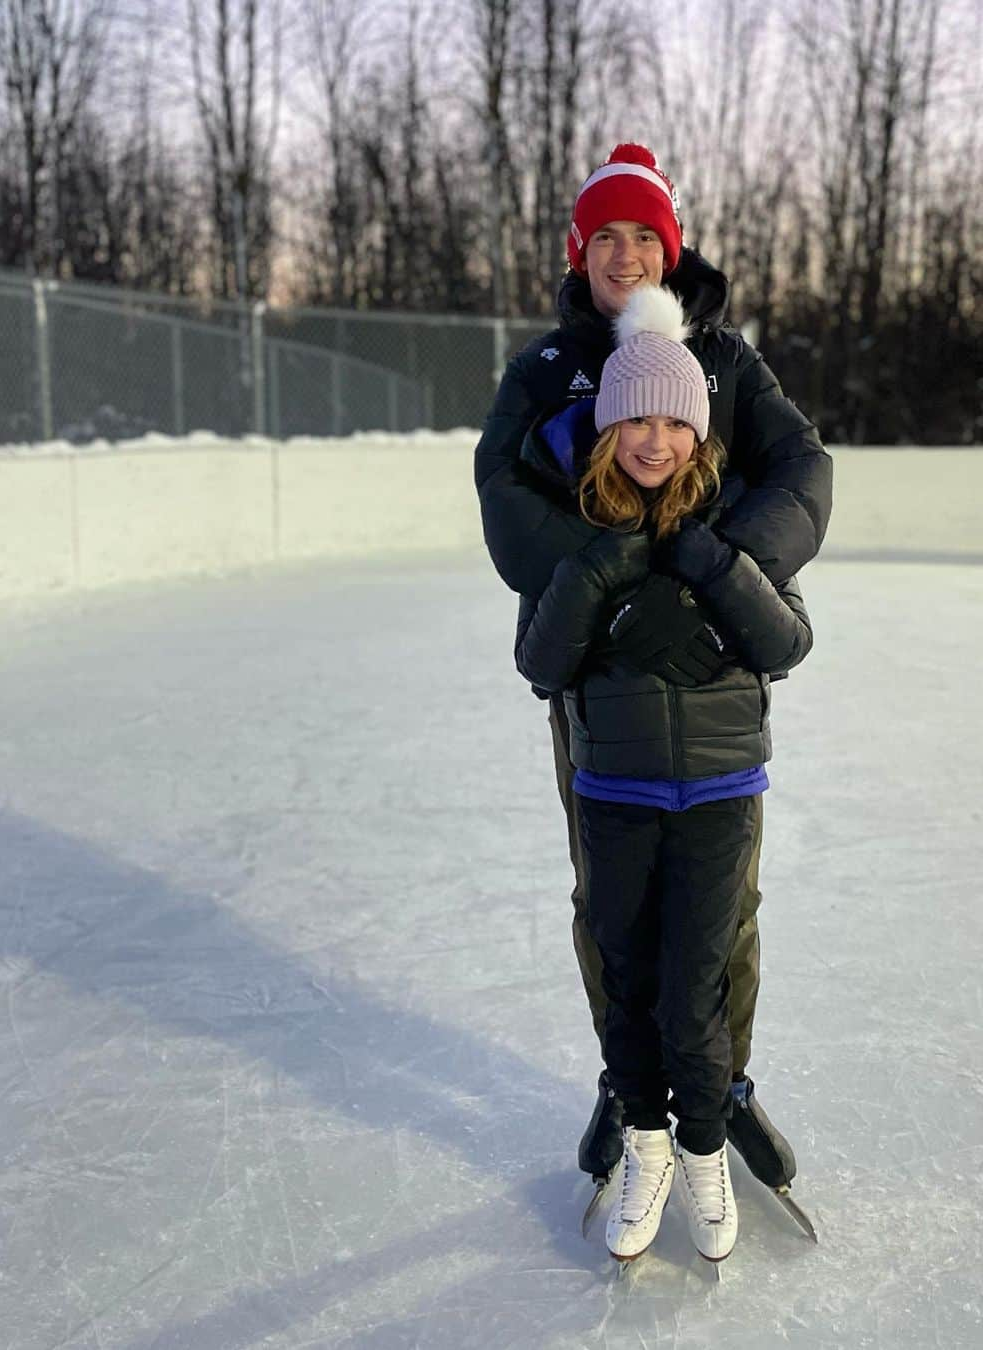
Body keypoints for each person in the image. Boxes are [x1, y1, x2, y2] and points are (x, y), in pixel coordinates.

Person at [474, 143, 833, 1192]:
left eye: (645, 237)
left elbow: (802, 470)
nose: (625, 255)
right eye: (606, 238)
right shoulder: (543, 372)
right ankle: (628, 1082)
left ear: (669, 252)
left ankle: (723, 1087)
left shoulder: (725, 361)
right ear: (578, 252)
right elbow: (505, 497)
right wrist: (617, 600)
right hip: (598, 675)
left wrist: (717, 582)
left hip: (716, 670)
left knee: (727, 903)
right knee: (611, 901)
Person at [513, 285, 812, 1262]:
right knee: (633, 986)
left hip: (722, 791)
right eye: (635, 418)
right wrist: (599, 576)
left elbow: (787, 637)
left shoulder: (734, 523)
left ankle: (706, 1148)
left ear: (699, 426)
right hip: (618, 794)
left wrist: (713, 569)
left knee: (696, 992)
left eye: (674, 419)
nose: (655, 439)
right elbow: (540, 663)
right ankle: (646, 1144)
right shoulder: (582, 532)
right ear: (607, 429)